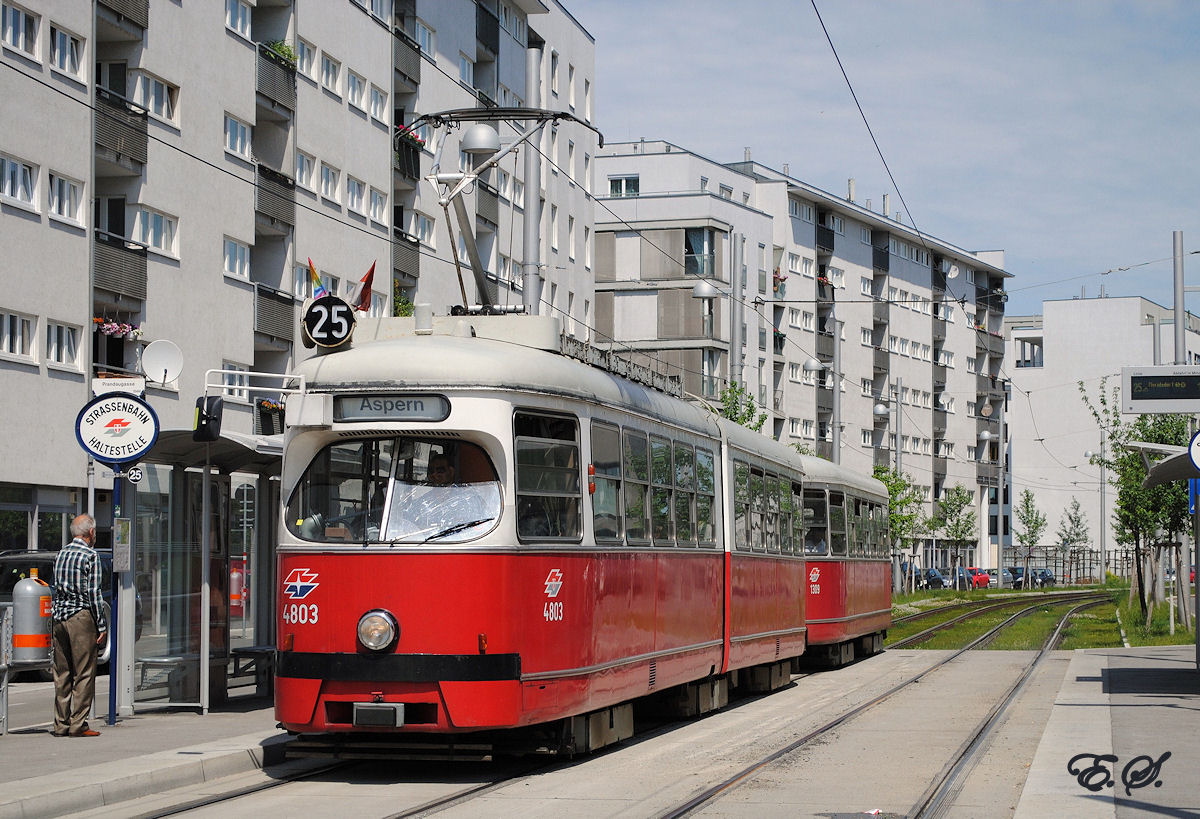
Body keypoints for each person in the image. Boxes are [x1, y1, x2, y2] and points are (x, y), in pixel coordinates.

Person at [51, 513, 107, 737]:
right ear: (91, 533)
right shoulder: (90, 556)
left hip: (59, 618)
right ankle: (78, 724)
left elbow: (56, 586)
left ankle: (60, 724)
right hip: (80, 617)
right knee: (84, 672)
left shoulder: (61, 553)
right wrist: (101, 625)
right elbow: (94, 593)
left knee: (62, 672)